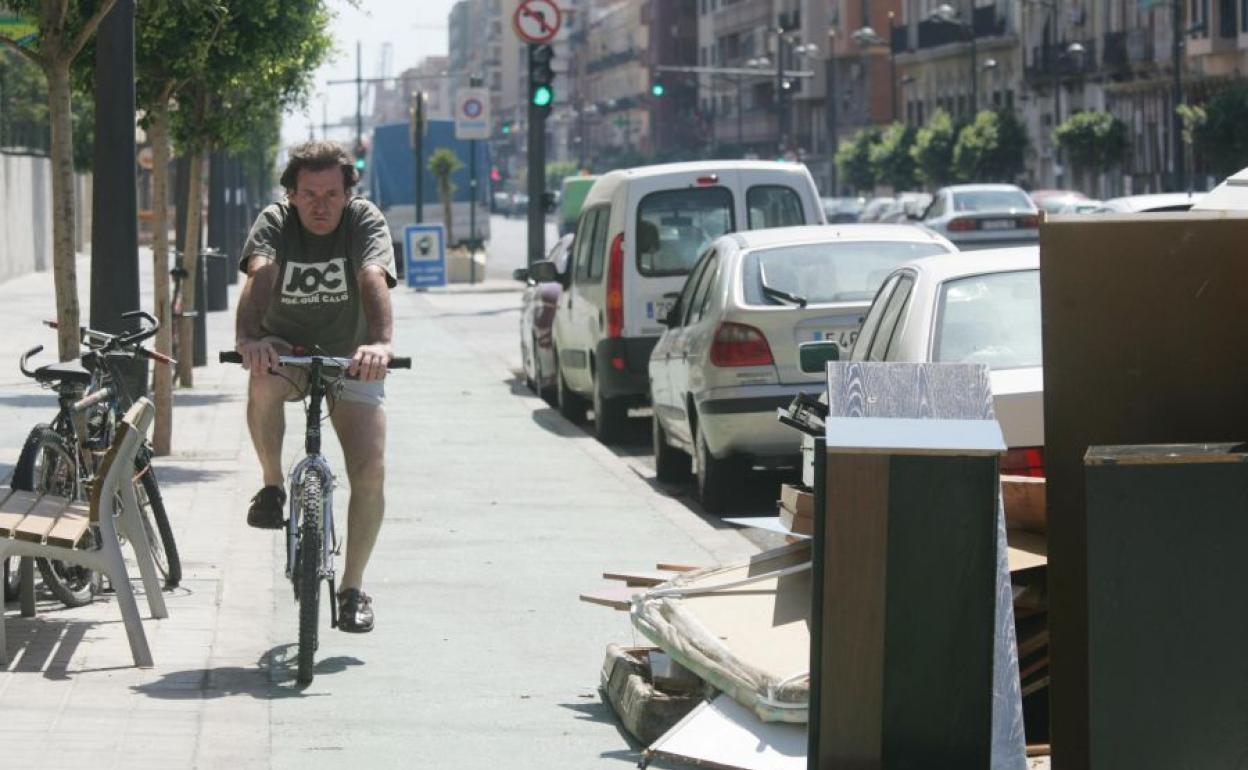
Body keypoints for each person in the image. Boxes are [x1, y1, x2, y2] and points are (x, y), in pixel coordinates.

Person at [234, 140, 396, 633]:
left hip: (351, 357)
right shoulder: (275, 222)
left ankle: (352, 588)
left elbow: (373, 276)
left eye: (331, 193)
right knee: (261, 379)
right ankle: (271, 486)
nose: (320, 205)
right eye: (308, 194)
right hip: (288, 350)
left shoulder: (365, 221)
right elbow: (261, 274)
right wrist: (249, 339)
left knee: (369, 469)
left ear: (349, 192)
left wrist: (381, 344)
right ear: (291, 194)